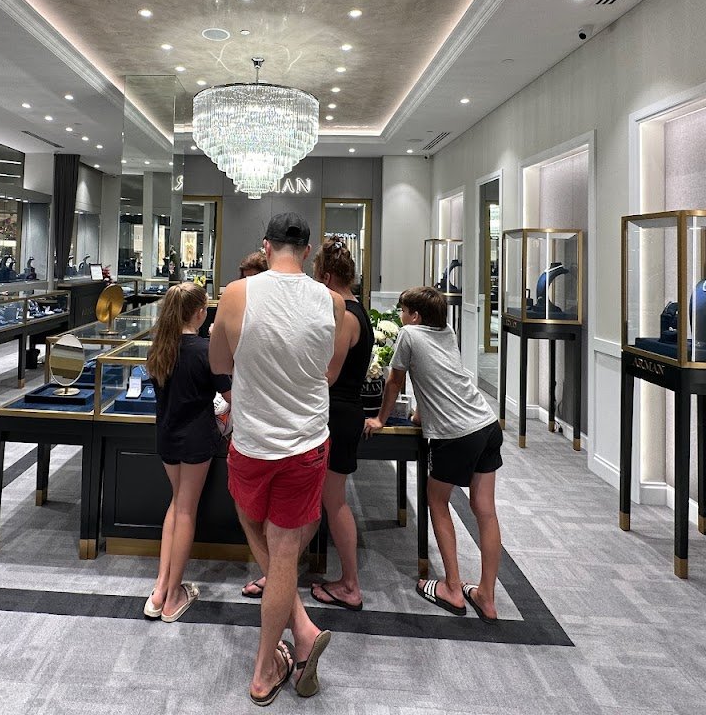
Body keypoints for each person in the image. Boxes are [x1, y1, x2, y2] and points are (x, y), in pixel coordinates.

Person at [210, 213, 349, 705]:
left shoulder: (236, 294)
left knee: (254, 525)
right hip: (306, 443)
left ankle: (265, 669)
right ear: (308, 252)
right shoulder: (333, 303)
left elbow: (219, 364)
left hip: (251, 442)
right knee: (284, 549)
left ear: (265, 247)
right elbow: (329, 373)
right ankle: (302, 631)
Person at [241, 238, 373, 612]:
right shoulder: (357, 309)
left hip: (337, 414)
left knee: (334, 503)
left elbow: (327, 375)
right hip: (342, 412)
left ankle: (350, 584)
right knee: (314, 504)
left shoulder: (346, 316)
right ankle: (280, 573)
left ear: (326, 277)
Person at [364, 286, 503, 623]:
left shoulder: (409, 335)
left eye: (403, 311)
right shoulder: (447, 332)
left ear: (415, 316)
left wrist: (380, 419)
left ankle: (452, 588)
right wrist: (420, 414)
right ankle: (486, 595)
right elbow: (441, 375)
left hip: (455, 434)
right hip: (486, 424)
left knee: (437, 501)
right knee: (485, 511)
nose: (400, 316)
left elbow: (395, 381)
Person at [142, 282, 230, 623]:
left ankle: (160, 588)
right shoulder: (205, 350)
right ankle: (173, 595)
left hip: (167, 436)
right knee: (186, 510)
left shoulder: (159, 348)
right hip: (196, 439)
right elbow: (231, 396)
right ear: (198, 313)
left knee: (176, 503)